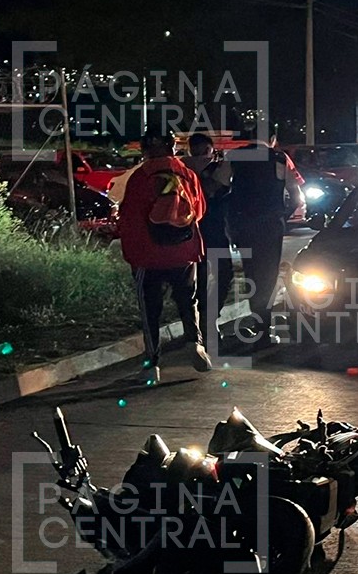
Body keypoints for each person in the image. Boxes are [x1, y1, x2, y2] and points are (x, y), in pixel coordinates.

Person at [117, 126, 212, 383]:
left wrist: (133, 254)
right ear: (173, 147)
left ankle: (152, 365)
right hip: (184, 252)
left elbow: (129, 219)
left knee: (150, 311)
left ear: (145, 149)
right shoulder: (188, 174)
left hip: (149, 255)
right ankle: (195, 344)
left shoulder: (139, 177)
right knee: (187, 300)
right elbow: (200, 210)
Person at [227, 134, 302, 348]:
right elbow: (295, 195)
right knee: (267, 277)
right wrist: (282, 216)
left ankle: (258, 325)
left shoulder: (235, 157)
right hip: (270, 228)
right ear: (273, 138)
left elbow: (220, 185)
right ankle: (263, 331)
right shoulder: (279, 159)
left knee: (251, 274)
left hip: (243, 226)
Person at [182, 133, 234, 345]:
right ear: (209, 149)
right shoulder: (218, 169)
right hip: (215, 232)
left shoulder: (181, 169)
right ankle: (209, 320)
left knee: (195, 279)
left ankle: (197, 324)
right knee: (222, 275)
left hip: (187, 233)